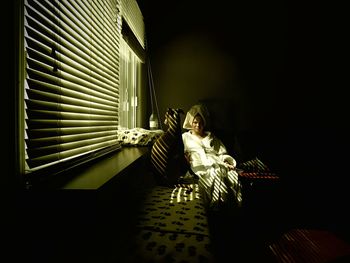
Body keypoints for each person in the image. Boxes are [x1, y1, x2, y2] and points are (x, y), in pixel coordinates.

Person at [182, 104, 243, 211]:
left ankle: (221, 207)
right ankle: (215, 205)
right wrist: (185, 158)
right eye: (195, 122)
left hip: (215, 160)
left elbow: (222, 152)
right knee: (210, 175)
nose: (198, 125)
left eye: (201, 123)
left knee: (226, 174)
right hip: (197, 162)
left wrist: (226, 161)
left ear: (204, 123)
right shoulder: (185, 137)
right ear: (191, 122)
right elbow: (181, 152)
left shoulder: (211, 136)